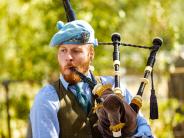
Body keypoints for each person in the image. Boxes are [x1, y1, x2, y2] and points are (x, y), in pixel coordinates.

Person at [29, 20, 153, 138]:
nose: (68, 57)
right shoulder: (47, 98)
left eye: (76, 51)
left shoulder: (113, 86)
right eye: (63, 50)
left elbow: (141, 126)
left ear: (91, 53)